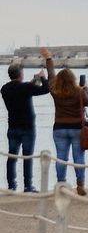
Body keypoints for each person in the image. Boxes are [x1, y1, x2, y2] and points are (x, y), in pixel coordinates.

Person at [4, 49, 55, 192]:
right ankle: (27, 185)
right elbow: (46, 89)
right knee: (28, 157)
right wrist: (42, 78)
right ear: (21, 74)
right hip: (27, 128)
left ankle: (11, 185)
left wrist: (33, 81)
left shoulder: (4, 89)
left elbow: (21, 88)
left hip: (12, 126)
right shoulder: (26, 87)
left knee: (11, 156)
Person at [49, 68, 88, 194]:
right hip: (77, 128)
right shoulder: (79, 91)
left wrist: (49, 60)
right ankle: (80, 185)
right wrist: (86, 88)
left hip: (59, 128)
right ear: (73, 79)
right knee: (78, 157)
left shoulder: (55, 91)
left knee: (61, 157)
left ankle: (61, 184)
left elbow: (50, 78)